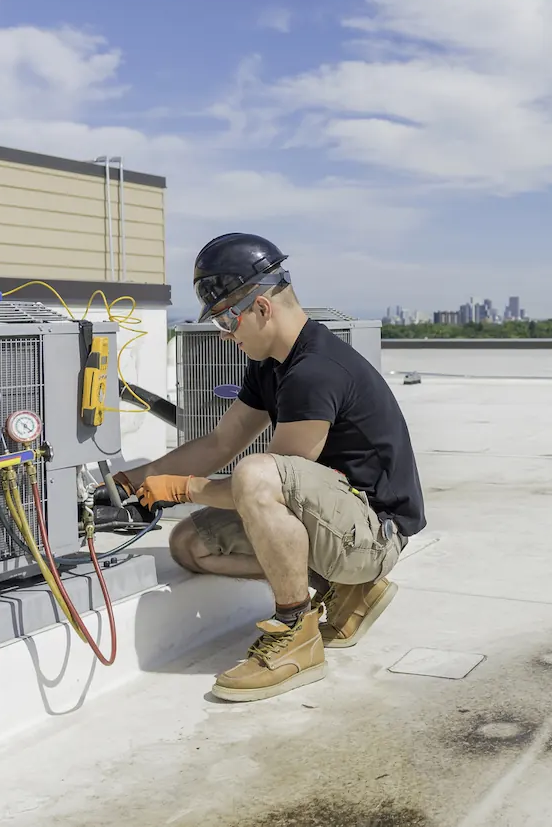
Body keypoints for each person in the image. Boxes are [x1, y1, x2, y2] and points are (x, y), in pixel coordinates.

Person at [113, 232, 426, 702]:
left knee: (258, 473)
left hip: (371, 536)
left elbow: (268, 484)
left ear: (261, 309)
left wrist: (180, 489)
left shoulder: (314, 372)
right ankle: (349, 590)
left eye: (226, 321)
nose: (226, 335)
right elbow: (221, 441)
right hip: (336, 523)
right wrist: (134, 481)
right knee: (190, 544)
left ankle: (295, 630)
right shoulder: (271, 363)